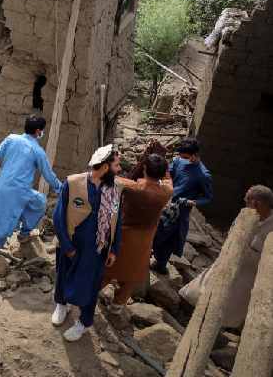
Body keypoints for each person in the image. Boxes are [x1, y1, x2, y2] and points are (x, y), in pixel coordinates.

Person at [52, 144, 123, 342]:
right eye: (117, 165)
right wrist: (67, 246)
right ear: (106, 167)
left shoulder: (115, 190)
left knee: (91, 286)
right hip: (72, 245)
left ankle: (84, 322)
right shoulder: (73, 183)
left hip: (97, 250)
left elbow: (117, 220)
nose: (119, 169)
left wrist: (113, 249)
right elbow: (58, 217)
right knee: (63, 276)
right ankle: (61, 304)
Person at [179, 185, 273, 328]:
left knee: (227, 310)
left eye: (247, 200)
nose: (244, 202)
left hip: (248, 275)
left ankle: (213, 333)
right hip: (227, 263)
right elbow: (233, 234)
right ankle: (189, 320)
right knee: (197, 293)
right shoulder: (246, 214)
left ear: (256, 203)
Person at [0, 116, 62, 266]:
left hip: (2, 187)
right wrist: (61, 189)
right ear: (38, 131)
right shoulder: (37, 151)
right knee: (40, 202)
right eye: (42, 131)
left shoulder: (11, 138)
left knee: (0, 217)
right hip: (20, 191)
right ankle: (24, 233)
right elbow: (48, 174)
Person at [101, 146, 173, 311]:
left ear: (145, 169)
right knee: (131, 273)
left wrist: (143, 160)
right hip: (145, 239)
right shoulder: (167, 191)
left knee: (108, 269)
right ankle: (117, 305)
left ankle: (88, 293)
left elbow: (113, 178)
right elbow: (168, 178)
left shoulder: (133, 187)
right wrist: (161, 162)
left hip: (124, 235)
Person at [151, 137, 213, 275]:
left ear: (195, 155)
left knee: (169, 240)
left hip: (181, 211)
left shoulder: (203, 175)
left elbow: (207, 197)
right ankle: (148, 255)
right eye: (180, 156)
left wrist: (194, 202)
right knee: (154, 231)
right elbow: (168, 174)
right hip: (165, 203)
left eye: (185, 157)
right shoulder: (179, 161)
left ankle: (160, 264)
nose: (182, 158)